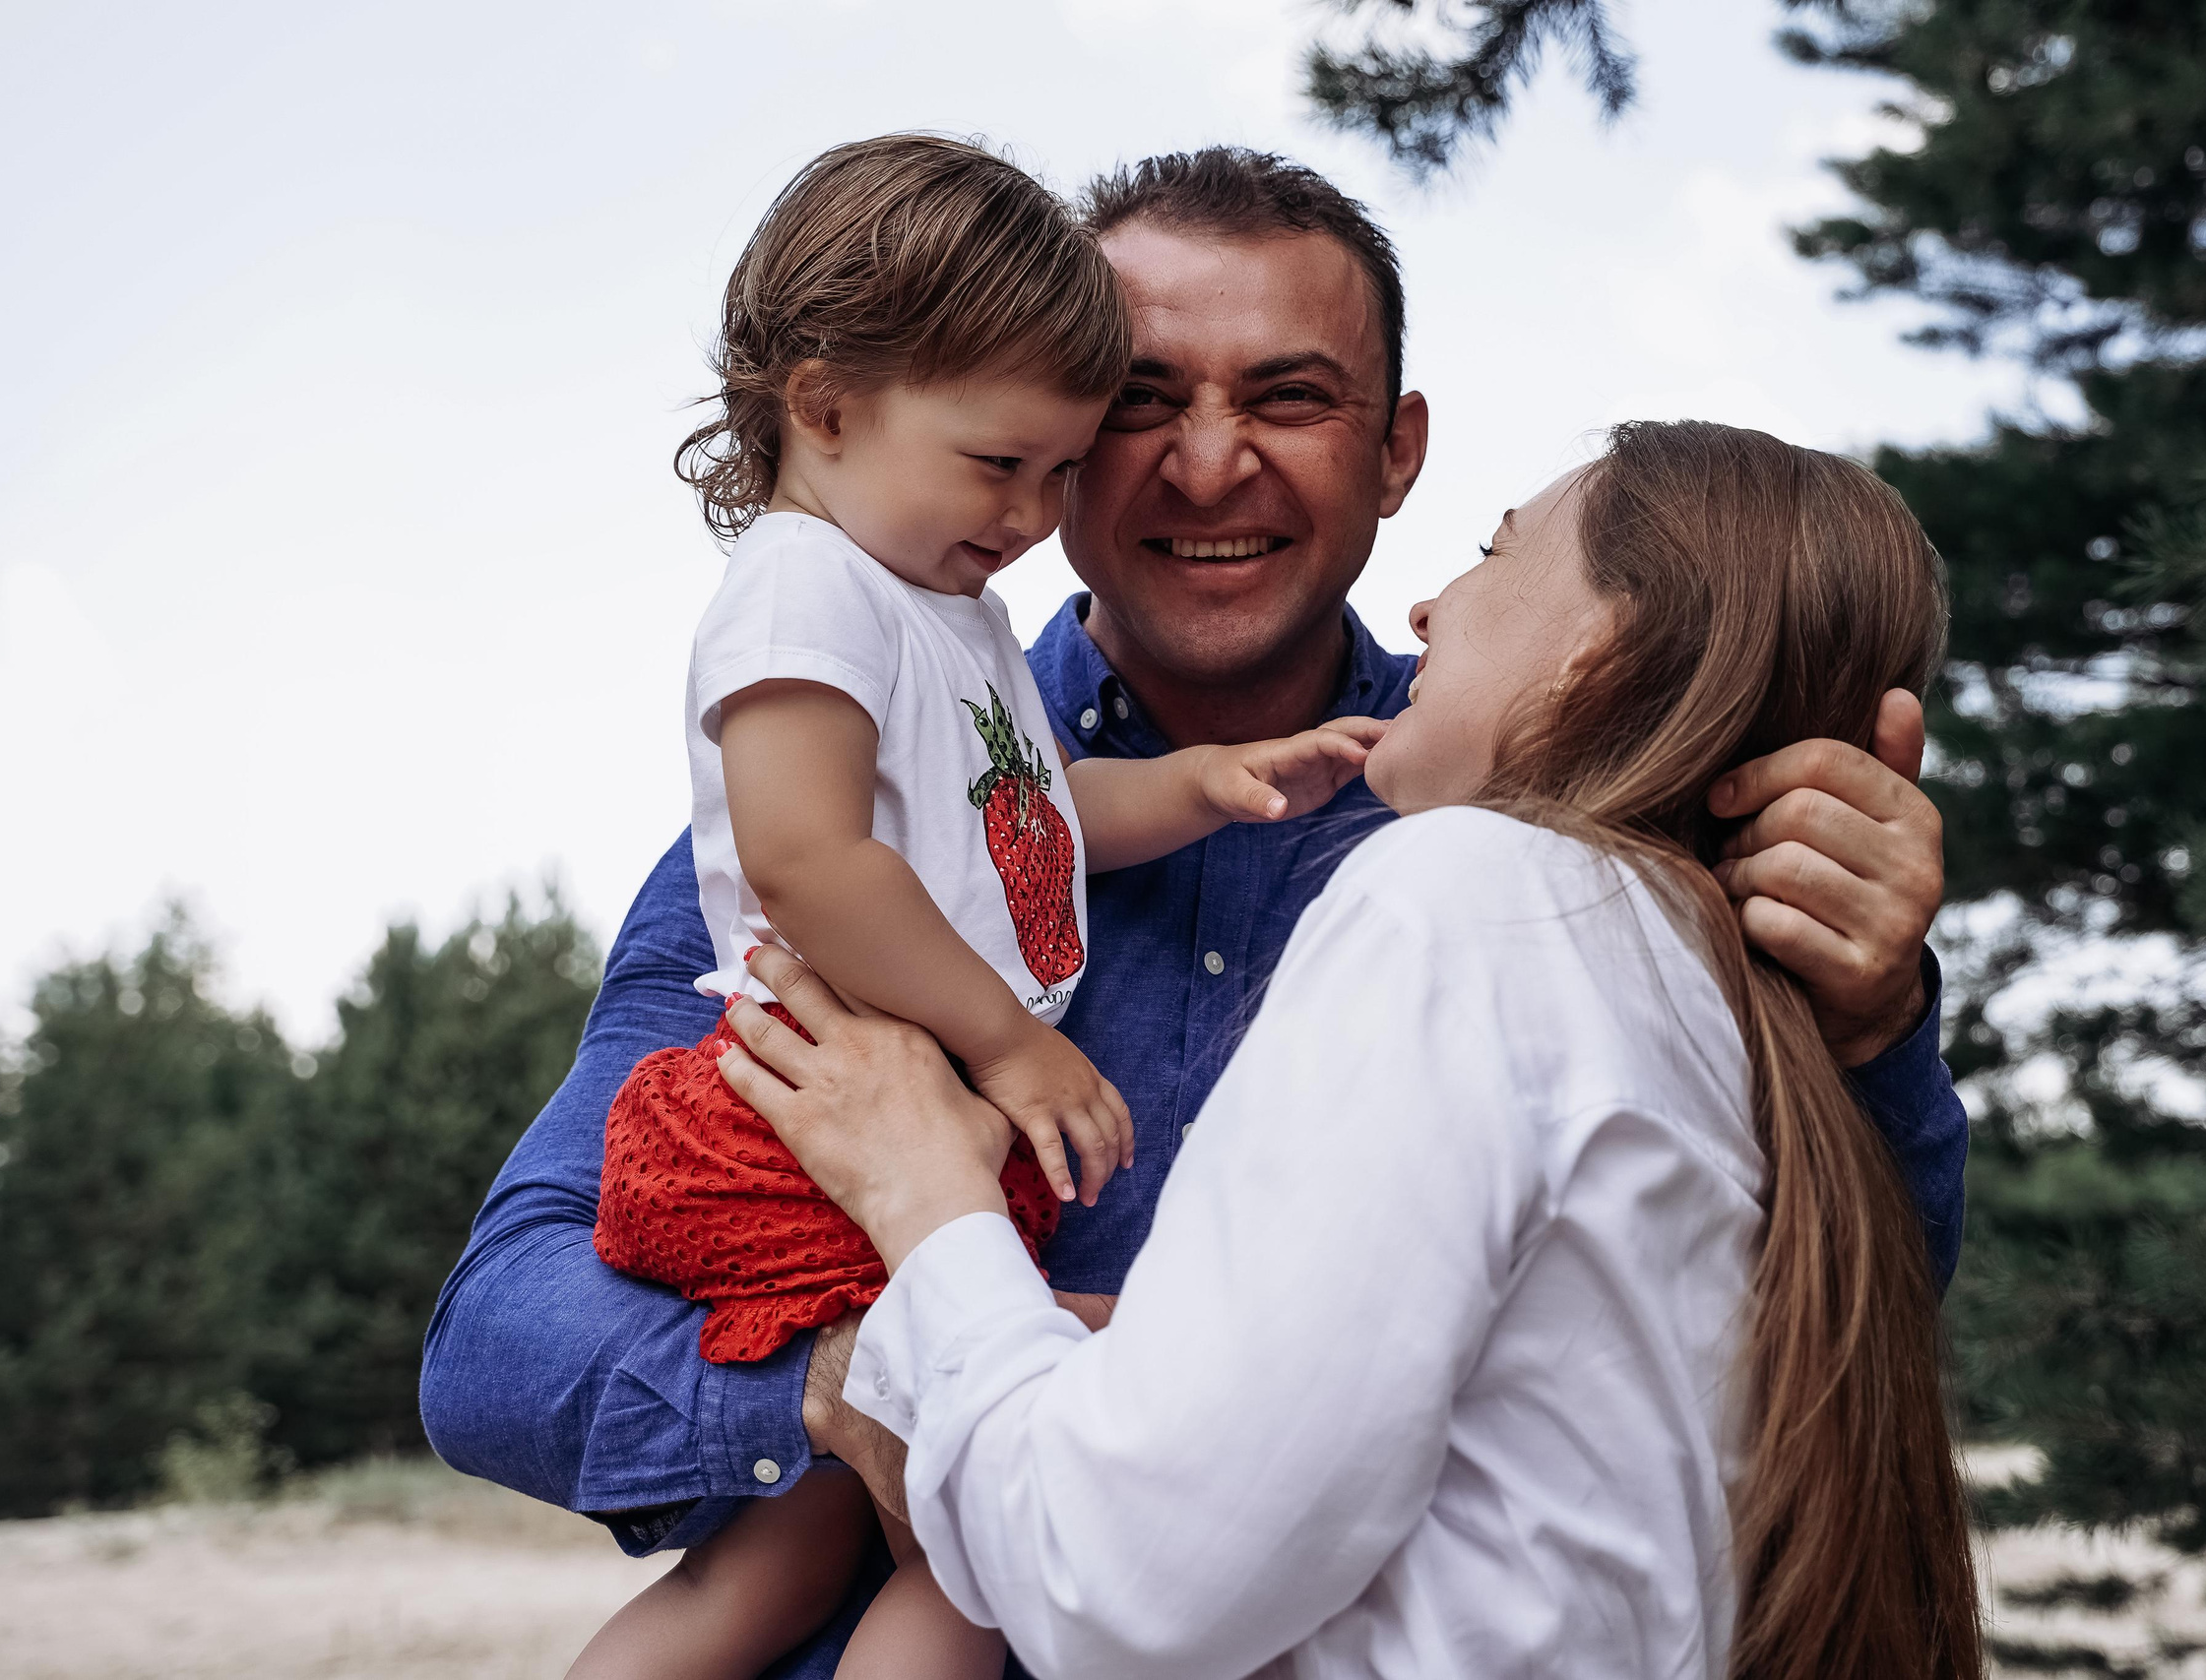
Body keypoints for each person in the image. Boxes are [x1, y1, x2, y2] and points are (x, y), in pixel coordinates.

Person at [421, 150, 1968, 1678]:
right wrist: (875, 1380)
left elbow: (1816, 1368)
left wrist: (1870, 1031)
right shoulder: (838, 820)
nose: (1209, 462)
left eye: (1290, 398)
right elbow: (497, 1344)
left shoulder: (1536, 875)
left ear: (1397, 453)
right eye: (1142, 404)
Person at [719, 421, 1985, 1679]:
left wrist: (927, 1205)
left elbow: (1120, 1582)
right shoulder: (1698, 985)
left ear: (1604, 653)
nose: (1429, 608)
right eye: (1139, 405)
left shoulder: (1469, 895)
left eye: (1493, 556)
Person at [569, 137, 1384, 1680]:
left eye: (1058, 471)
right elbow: (811, 861)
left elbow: (1035, 818)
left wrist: (1200, 781)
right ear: (824, 407)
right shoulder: (805, 583)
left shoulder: (948, 611)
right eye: (1001, 463)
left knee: (832, 1536)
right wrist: (1011, 1046)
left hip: (908, 1140)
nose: (1031, 509)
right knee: (969, 1530)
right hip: (798, 1128)